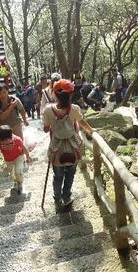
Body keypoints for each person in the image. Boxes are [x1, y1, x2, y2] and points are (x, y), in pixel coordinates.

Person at [42, 79, 94, 207]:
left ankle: (57, 198)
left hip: (57, 149)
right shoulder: (74, 109)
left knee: (58, 175)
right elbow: (82, 123)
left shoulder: (48, 110)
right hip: (73, 147)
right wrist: (91, 131)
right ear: (71, 95)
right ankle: (66, 196)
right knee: (70, 174)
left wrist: (52, 124)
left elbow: (45, 129)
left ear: (55, 94)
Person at [0, 125, 33, 195]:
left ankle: (20, 184)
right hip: (8, 160)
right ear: (0, 138)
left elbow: (23, 148)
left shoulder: (16, 139)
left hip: (18, 157)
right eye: (4, 140)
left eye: (8, 139)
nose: (6, 141)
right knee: (12, 174)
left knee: (18, 171)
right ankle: (16, 181)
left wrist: (28, 156)